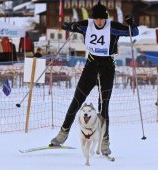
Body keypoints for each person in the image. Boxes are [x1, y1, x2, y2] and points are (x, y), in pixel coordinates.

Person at [49, 2, 139, 156]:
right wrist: (66, 25)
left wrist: (131, 24)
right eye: (96, 19)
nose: (99, 22)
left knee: (103, 106)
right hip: (90, 66)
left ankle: (104, 142)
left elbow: (134, 33)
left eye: (102, 19)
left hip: (107, 68)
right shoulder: (86, 25)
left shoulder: (113, 27)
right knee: (77, 101)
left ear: (106, 18)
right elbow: (72, 26)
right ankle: (62, 134)